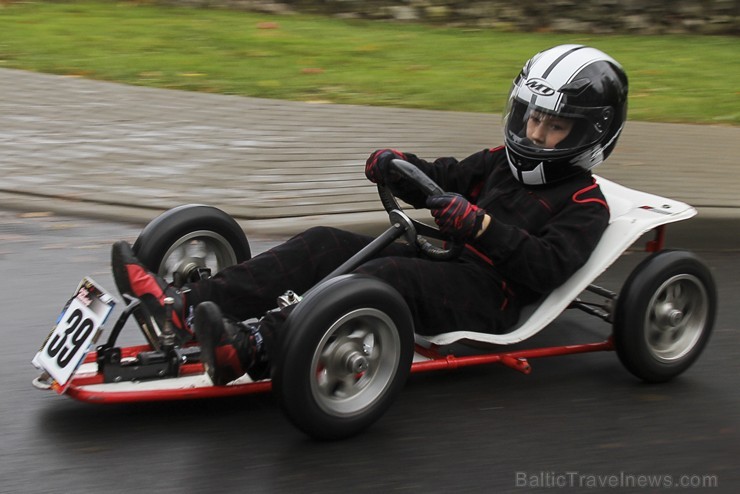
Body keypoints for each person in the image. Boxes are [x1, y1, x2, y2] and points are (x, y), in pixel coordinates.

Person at [111, 44, 628, 385]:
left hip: (493, 296)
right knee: (325, 242)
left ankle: (254, 348)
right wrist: (397, 167)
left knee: (382, 276)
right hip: (445, 258)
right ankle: (183, 306)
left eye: (553, 126)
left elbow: (548, 266)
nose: (535, 135)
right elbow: (443, 175)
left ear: (589, 134)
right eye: (533, 118)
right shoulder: (498, 163)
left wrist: (482, 227)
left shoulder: (586, 203)